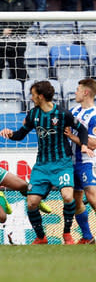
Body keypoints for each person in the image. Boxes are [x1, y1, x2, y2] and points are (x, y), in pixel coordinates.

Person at [0, 80, 93, 244]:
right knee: (32, 202)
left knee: (68, 196)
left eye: (33, 95)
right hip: (42, 166)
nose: (31, 98)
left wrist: (84, 146)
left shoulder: (63, 114)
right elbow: (21, 134)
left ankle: (66, 234)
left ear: (41, 96)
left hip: (62, 163)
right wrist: (10, 134)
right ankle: (41, 237)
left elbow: (83, 129)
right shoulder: (33, 114)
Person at [64, 78, 96, 244]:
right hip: (71, 163)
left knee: (92, 197)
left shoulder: (94, 115)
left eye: (77, 90)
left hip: (86, 162)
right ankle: (87, 237)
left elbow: (93, 143)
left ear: (86, 92)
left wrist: (72, 137)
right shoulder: (73, 111)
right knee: (76, 201)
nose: (75, 93)